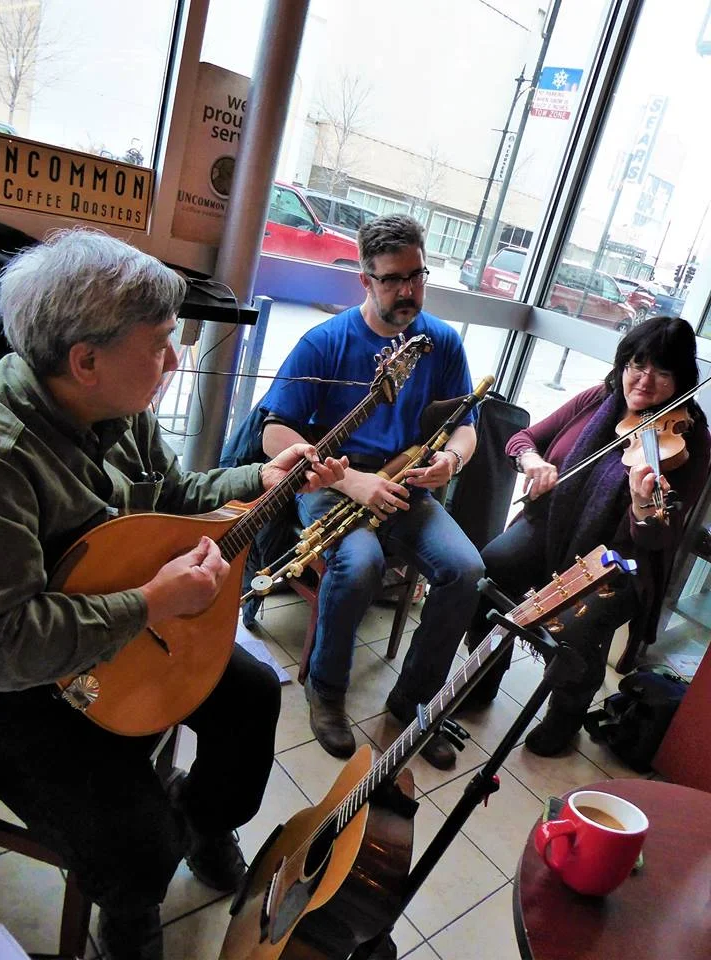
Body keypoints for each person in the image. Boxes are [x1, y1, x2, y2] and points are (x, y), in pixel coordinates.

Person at [0, 229, 346, 960]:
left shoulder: (115, 409)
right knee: (136, 842)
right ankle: (129, 904)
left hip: (115, 638)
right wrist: (151, 604)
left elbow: (177, 496)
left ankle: (206, 819)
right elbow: (6, 643)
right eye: (159, 343)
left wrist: (260, 479)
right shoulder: (1, 458)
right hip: (18, 692)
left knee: (252, 696)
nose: (175, 358)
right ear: (86, 360)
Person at [257, 213, 485, 771]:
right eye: (392, 279)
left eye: (416, 275)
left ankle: (412, 704)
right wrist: (352, 481)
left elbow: (466, 422)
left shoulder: (440, 342)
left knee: (466, 570)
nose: (407, 291)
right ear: (365, 280)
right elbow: (272, 433)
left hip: (405, 481)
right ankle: (326, 690)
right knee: (358, 562)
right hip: (335, 478)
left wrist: (451, 460)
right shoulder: (326, 342)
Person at [464, 316, 710, 756]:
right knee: (493, 566)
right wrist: (534, 462)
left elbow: (659, 537)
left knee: (576, 628)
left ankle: (565, 717)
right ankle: (484, 678)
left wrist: (641, 506)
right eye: (638, 364)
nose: (645, 380)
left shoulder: (689, 439)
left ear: (682, 379)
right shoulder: (600, 398)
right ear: (624, 362)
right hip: (552, 524)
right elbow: (523, 438)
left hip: (620, 559)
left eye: (663, 372)